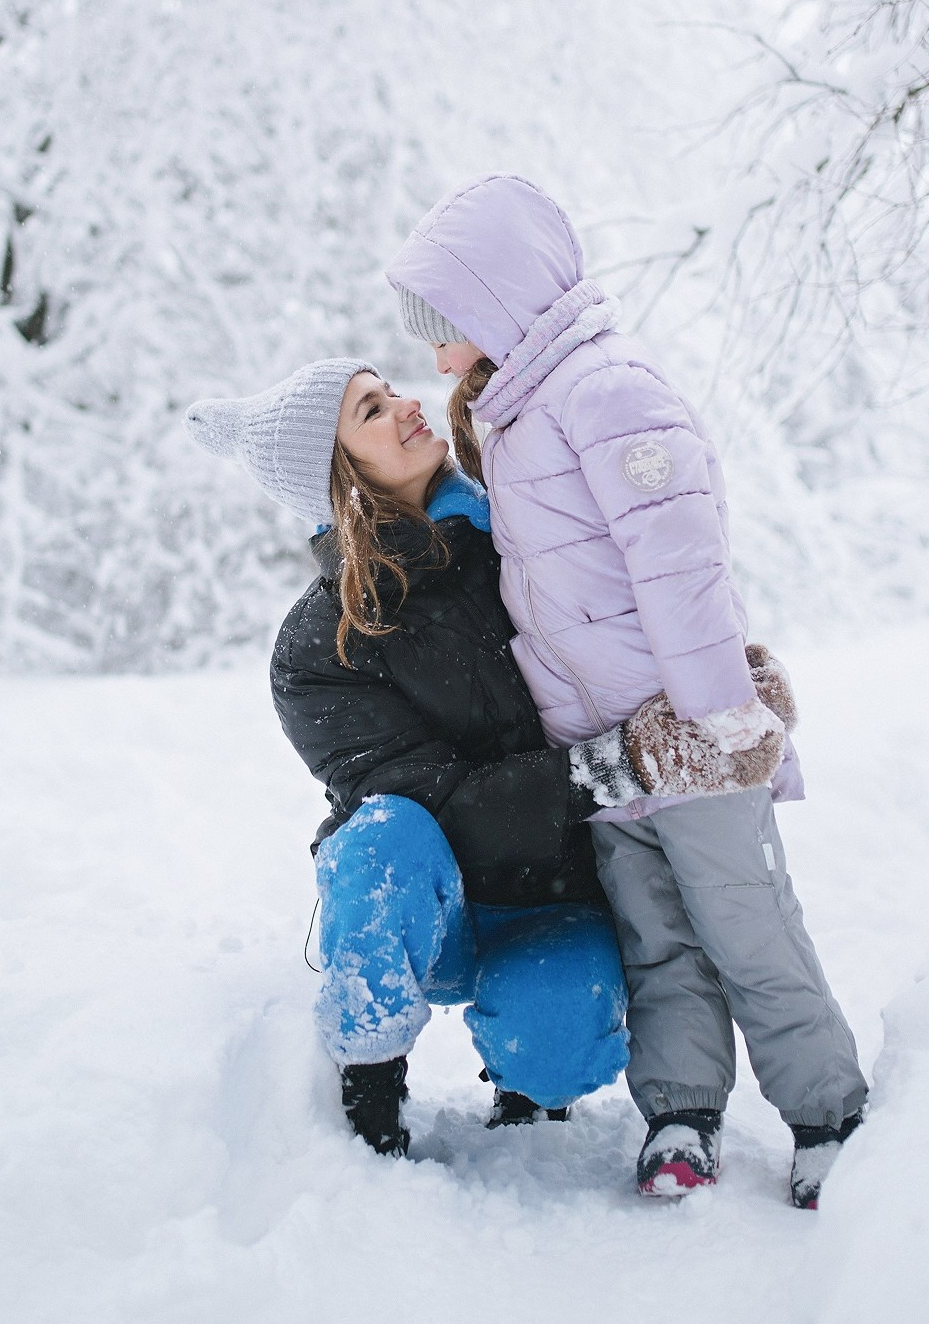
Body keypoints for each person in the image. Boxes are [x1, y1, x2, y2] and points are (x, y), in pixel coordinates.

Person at [388, 175, 869, 1208]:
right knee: (657, 940)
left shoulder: (609, 391)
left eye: (447, 328)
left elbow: (679, 560)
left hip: (688, 738)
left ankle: (827, 1110)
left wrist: (714, 715)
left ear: (501, 299)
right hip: (604, 746)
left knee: (748, 927)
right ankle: (683, 1112)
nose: (435, 359)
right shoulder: (514, 410)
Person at [184, 358, 742, 1158]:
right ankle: (369, 1089)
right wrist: (607, 768)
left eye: (389, 388)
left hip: (551, 888)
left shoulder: (520, 549)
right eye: (371, 410)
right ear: (340, 477)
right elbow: (432, 801)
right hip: (430, 896)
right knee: (380, 836)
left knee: (559, 1045)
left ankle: (527, 1072)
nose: (407, 404)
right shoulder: (318, 645)